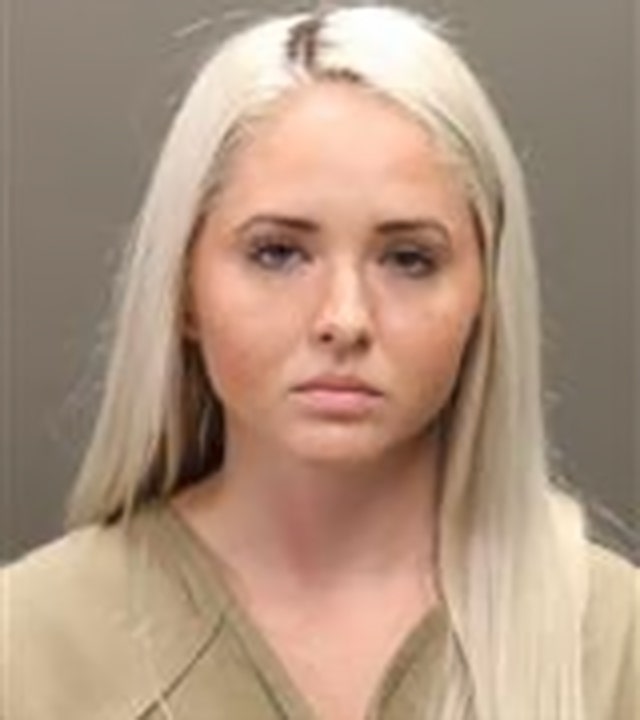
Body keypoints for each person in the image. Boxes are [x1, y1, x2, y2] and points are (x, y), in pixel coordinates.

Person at [2, 5, 637, 720]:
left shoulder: (614, 644)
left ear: (486, 300)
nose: (345, 318)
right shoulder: (30, 646)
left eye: (409, 259)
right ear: (183, 288)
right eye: (277, 253)